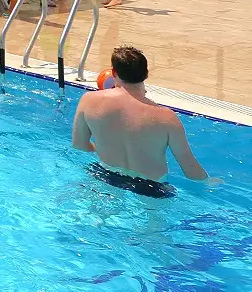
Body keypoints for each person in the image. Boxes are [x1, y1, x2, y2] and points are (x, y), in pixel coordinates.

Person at [72, 46, 210, 197]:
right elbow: (189, 168)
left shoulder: (89, 100)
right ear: (146, 74)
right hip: (151, 188)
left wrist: (105, 147)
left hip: (105, 176)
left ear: (114, 73)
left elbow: (80, 145)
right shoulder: (166, 117)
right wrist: (210, 182)